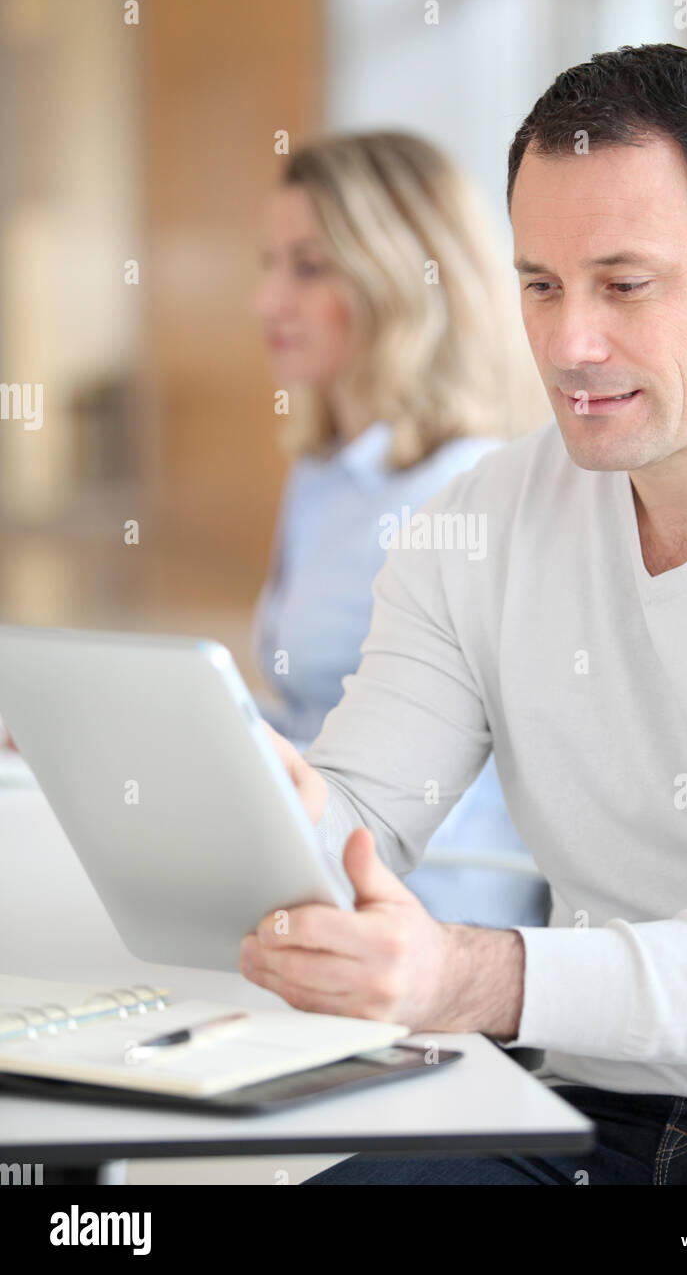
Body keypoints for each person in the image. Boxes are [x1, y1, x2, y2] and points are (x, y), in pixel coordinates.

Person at [243, 44, 687, 1184]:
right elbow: (362, 817)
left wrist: (475, 977)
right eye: (539, 284)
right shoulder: (475, 522)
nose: (569, 345)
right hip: (582, 1109)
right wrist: (245, 804)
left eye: (624, 286)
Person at [249, 130, 550, 929]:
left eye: (308, 268)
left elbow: (418, 779)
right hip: (306, 866)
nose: (268, 301)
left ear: (402, 280)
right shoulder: (324, 475)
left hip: (423, 904)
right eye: (269, 263)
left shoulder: (465, 490)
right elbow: (310, 716)